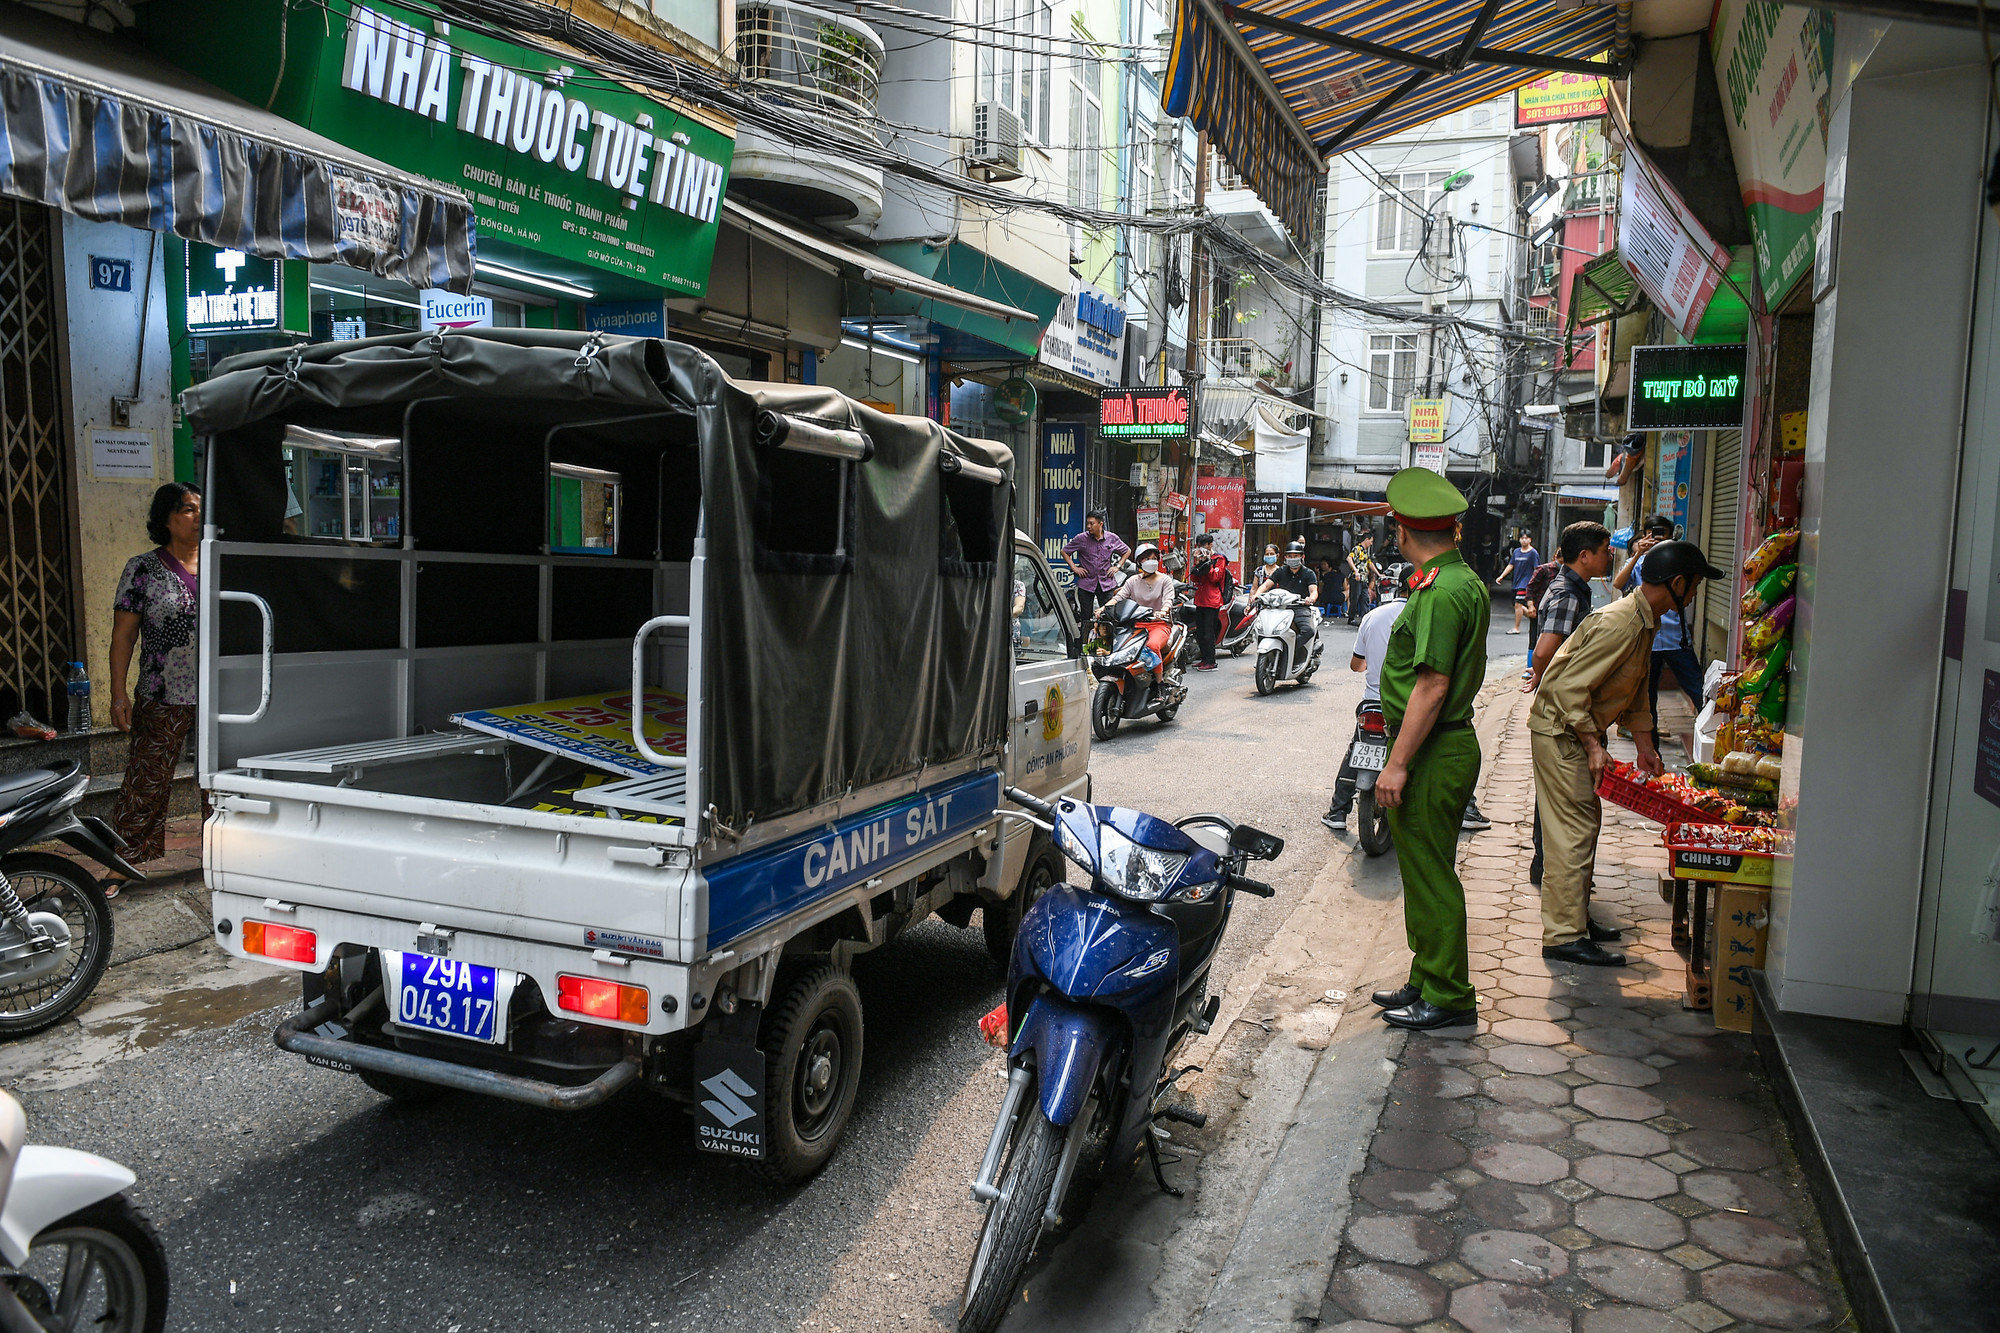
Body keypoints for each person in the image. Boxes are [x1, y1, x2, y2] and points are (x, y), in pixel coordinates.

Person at [1530, 541, 1726, 965]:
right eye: (1692, 587)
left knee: (1586, 826)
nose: (1693, 597)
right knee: (1572, 834)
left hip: (1574, 729)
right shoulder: (1620, 623)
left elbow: (1637, 690)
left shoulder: (1644, 621)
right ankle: (1564, 936)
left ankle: (1575, 919)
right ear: (1676, 583)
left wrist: (1645, 745)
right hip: (1562, 730)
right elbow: (1566, 688)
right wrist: (1592, 744)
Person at [1370, 468, 1488, 1031]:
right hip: (1435, 747)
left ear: (1403, 532)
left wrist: (1396, 763)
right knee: (1420, 872)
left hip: (1431, 750)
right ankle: (1427, 977)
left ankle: (1448, 994)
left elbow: (1432, 685)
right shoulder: (1456, 581)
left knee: (1433, 875)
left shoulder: (1441, 591)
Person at [107, 482, 208, 886]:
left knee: (217, 782)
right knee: (146, 779)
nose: (197, 516)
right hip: (162, 691)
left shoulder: (222, 563)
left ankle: (225, 857)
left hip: (220, 693)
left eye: (201, 508)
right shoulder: (143, 568)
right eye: (187, 509)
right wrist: (117, 694)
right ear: (165, 519)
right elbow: (123, 637)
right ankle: (123, 862)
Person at [1522, 521, 1614, 886]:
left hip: (1565, 701)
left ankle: (1545, 864)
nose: (1610, 557)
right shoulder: (1567, 592)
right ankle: (1549, 867)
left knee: (1555, 790)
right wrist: (1543, 681)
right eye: (1606, 551)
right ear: (1585, 556)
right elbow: (1546, 649)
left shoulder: (1574, 587)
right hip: (1563, 708)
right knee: (1562, 790)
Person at [1613, 515, 1706, 751]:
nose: (1657, 539)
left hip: (1676, 639)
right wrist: (1637, 554)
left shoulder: (1678, 562)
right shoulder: (1643, 563)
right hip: (1650, 642)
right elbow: (1618, 583)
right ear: (1644, 536)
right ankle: (1651, 750)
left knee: (1698, 689)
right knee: (1647, 699)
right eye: (1652, 534)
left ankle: (1712, 735)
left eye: (1662, 534)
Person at [1112, 544, 1177, 678]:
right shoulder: (1133, 581)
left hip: (1159, 624)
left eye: (1154, 558)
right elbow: (1119, 597)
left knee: (1152, 646)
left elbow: (1168, 600)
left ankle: (1159, 685)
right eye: (1147, 558)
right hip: (1136, 624)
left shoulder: (1165, 580)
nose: (1151, 561)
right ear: (1139, 562)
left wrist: (1163, 611)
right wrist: (1103, 608)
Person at [1061, 511, 1130, 618]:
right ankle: (1086, 634)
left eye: (1092, 523)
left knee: (1108, 614)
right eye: (1087, 523)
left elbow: (1127, 551)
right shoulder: (1081, 538)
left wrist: (1118, 566)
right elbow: (1064, 551)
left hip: (1106, 583)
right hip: (1086, 583)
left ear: (1100, 524)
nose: (1089, 526)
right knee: (1086, 616)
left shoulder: (1112, 538)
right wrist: (1074, 568)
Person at [1255, 539, 1319, 646]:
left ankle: (1293, 650)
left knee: (1308, 631)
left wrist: (1311, 598)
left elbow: (1314, 591)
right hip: (1280, 608)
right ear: (1285, 557)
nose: (1292, 558)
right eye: (1290, 556)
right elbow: (1266, 585)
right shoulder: (1281, 571)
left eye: (1295, 556)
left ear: (1302, 557)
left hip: (1300, 608)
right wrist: (1257, 595)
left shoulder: (1309, 573)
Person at [1187, 533, 1230, 671]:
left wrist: (1208, 564)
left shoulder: (1219, 559)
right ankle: (1204, 659)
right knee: (1200, 632)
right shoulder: (1199, 557)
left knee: (1209, 632)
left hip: (1212, 600)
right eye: (1199, 546)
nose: (1202, 548)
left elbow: (1216, 578)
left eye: (1204, 545)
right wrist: (1199, 563)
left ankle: (1211, 661)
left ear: (1210, 545)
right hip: (1200, 599)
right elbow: (1194, 578)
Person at [1500, 531, 1540, 634]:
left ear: (1530, 540)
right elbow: (1511, 565)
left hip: (1526, 584)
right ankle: (1535, 618)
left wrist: (1535, 583)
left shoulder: (1533, 553)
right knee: (1516, 605)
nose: (1524, 540)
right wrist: (1502, 576)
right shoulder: (1516, 552)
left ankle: (1516, 628)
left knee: (1518, 604)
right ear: (1519, 539)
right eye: (1522, 538)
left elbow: (1537, 569)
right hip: (1516, 582)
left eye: (1526, 538)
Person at [1345, 532, 1378, 624]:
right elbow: (1349, 558)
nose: (1371, 543)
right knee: (1355, 598)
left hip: (1364, 579)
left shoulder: (1365, 552)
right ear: (1366, 539)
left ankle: (1365, 619)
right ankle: (1351, 618)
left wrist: (1378, 574)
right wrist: (1355, 571)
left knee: (1365, 598)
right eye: (1371, 541)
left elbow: (1370, 563)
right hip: (1357, 578)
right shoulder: (1357, 549)